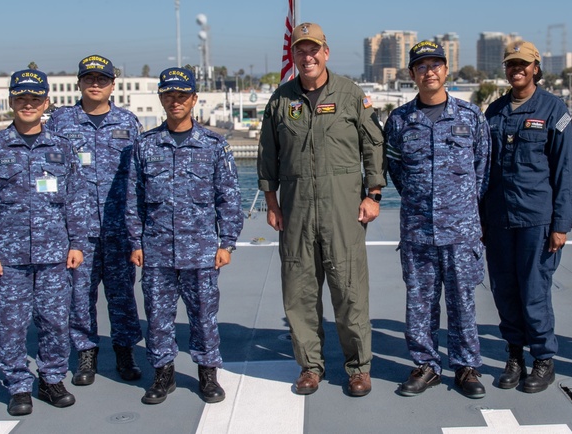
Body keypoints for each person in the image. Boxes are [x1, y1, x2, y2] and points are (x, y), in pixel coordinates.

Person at [257, 22, 385, 397]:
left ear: (326, 52)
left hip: (343, 213)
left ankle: (358, 368)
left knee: (349, 292)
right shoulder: (281, 101)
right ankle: (310, 366)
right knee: (299, 293)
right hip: (296, 212)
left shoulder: (350, 95)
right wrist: (271, 202)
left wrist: (373, 194)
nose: (307, 56)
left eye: (313, 49)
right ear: (294, 55)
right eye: (301, 50)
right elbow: (268, 154)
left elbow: (373, 146)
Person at [0, 69, 91, 416]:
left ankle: (51, 379)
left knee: (55, 320)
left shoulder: (63, 148)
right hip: (8, 256)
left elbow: (76, 199)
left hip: (54, 252)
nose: (28, 105)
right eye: (21, 99)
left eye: (35, 99)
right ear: (11, 102)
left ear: (46, 104)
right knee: (11, 323)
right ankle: (18, 385)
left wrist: (77, 243)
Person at [125, 67, 243, 405]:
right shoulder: (145, 145)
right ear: (161, 99)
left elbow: (228, 197)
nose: (175, 101)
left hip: (202, 249)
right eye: (168, 95)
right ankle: (163, 375)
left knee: (204, 317)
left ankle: (207, 374)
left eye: (181, 95)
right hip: (157, 250)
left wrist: (227, 242)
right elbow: (132, 198)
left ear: (193, 99)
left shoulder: (214, 145)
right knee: (159, 318)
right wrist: (136, 241)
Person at [384, 40, 490, 399]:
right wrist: (422, 198)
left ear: (446, 70)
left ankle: (466, 367)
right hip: (418, 229)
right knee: (420, 302)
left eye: (435, 65)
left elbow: (482, 170)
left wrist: (459, 208)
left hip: (461, 231)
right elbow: (396, 169)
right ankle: (426, 365)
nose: (429, 72)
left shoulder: (471, 116)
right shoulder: (399, 121)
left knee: (463, 301)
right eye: (421, 66)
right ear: (412, 74)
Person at [482, 40, 572, 393]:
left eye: (523, 64)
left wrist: (561, 224)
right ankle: (514, 356)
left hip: (536, 220)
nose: (517, 70)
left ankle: (543, 359)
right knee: (504, 291)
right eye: (511, 65)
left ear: (536, 68)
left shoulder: (554, 110)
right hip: (498, 220)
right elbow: (483, 172)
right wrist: (480, 220)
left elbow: (567, 171)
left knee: (534, 292)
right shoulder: (493, 112)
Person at [46, 55, 143, 386]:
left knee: (122, 294)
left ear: (112, 84)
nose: (95, 84)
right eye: (89, 78)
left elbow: (139, 178)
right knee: (79, 295)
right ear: (79, 83)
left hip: (119, 228)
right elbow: (49, 173)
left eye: (102, 79)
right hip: (78, 231)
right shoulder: (60, 123)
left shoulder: (128, 123)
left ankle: (124, 350)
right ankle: (86, 353)